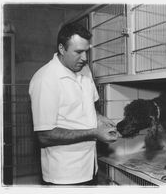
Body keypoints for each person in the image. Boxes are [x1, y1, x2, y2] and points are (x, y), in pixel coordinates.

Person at [29, 22, 119, 185]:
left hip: (90, 167)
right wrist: (94, 132)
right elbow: (44, 136)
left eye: (87, 51)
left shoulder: (84, 69)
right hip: (65, 175)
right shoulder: (45, 80)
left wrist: (99, 118)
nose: (85, 58)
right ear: (62, 49)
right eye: (78, 52)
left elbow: (90, 104)